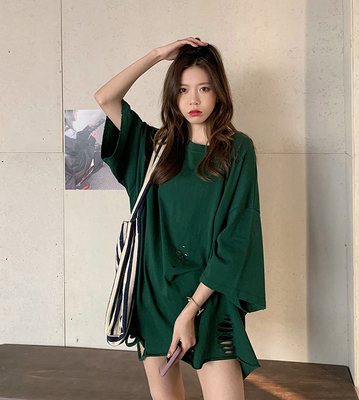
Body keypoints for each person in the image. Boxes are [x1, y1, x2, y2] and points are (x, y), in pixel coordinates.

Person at [94, 37, 266, 400]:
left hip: (211, 296)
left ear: (218, 92)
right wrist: (158, 55)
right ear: (173, 95)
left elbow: (236, 238)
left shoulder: (237, 151)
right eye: (183, 89)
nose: (193, 100)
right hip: (155, 295)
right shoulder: (154, 146)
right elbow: (105, 98)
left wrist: (190, 311)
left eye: (204, 88)